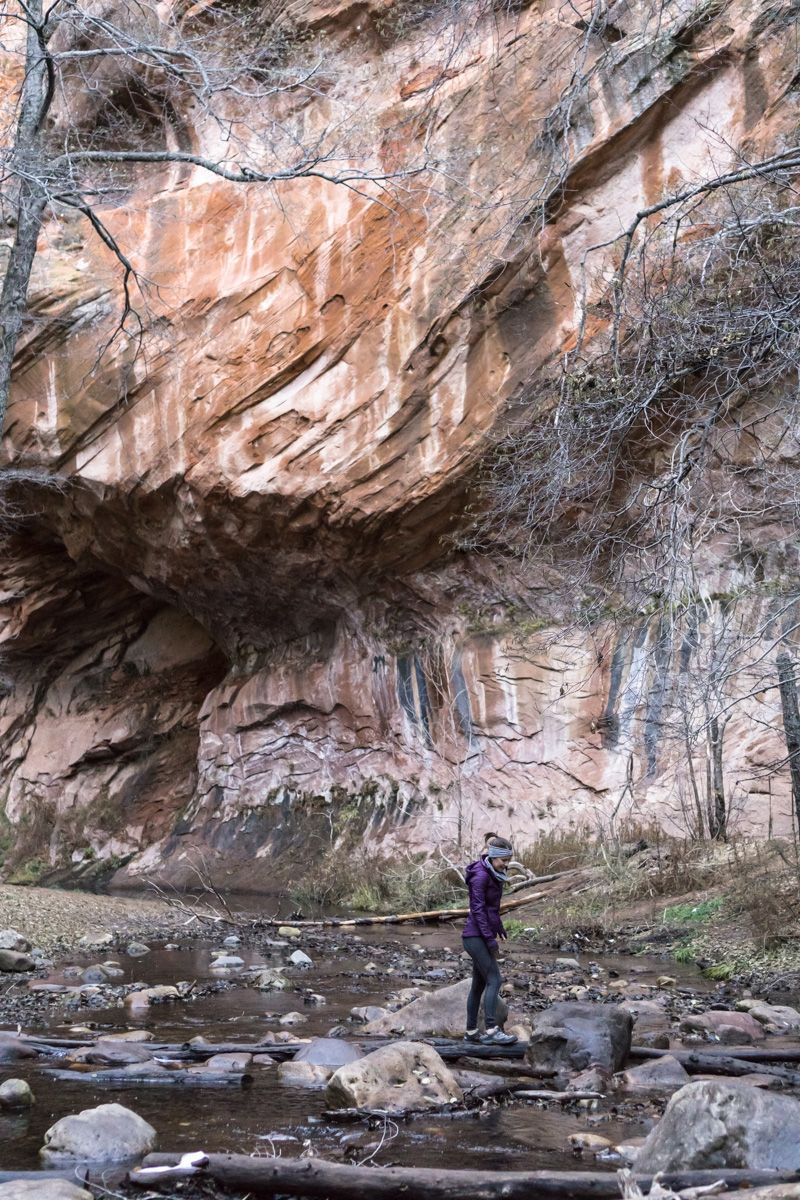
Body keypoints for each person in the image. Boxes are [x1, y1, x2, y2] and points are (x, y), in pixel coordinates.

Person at [461, 833, 518, 1045]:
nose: (506, 865)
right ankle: (492, 1030)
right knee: (495, 979)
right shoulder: (481, 876)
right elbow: (477, 910)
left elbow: (490, 908)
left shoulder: (493, 873)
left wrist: (498, 927)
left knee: (478, 985)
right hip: (474, 937)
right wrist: (489, 940)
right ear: (493, 857)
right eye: (504, 861)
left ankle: (471, 1031)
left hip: (479, 934)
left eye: (508, 861)